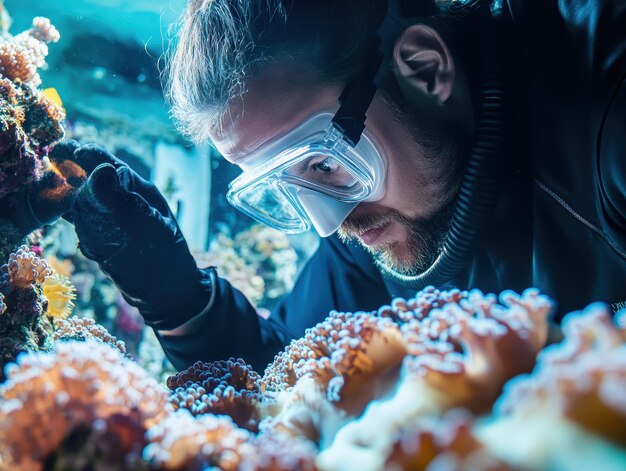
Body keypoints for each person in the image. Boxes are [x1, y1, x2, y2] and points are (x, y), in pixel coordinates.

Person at [44, 0, 625, 372]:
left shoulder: (606, 106)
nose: (329, 221)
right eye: (282, 186)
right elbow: (286, 376)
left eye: (321, 163)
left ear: (425, 68)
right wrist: (176, 298)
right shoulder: (381, 222)